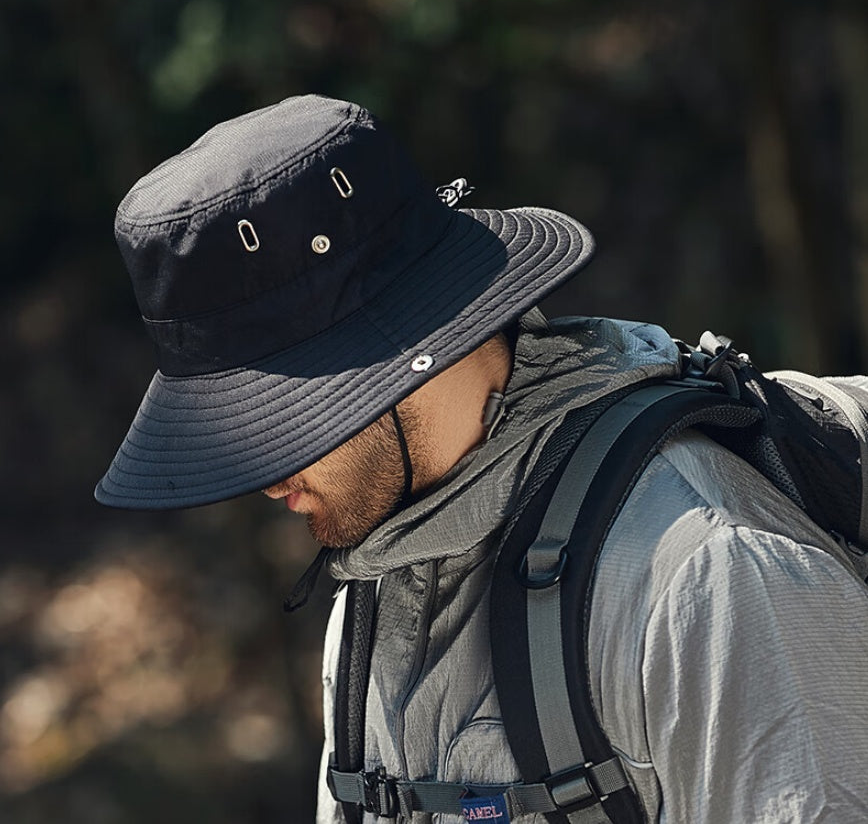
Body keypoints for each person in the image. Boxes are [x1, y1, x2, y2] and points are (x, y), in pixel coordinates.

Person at [97, 94, 868, 823]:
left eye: (283, 424)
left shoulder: (707, 577)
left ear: (391, 356)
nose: (266, 480)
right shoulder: (366, 608)